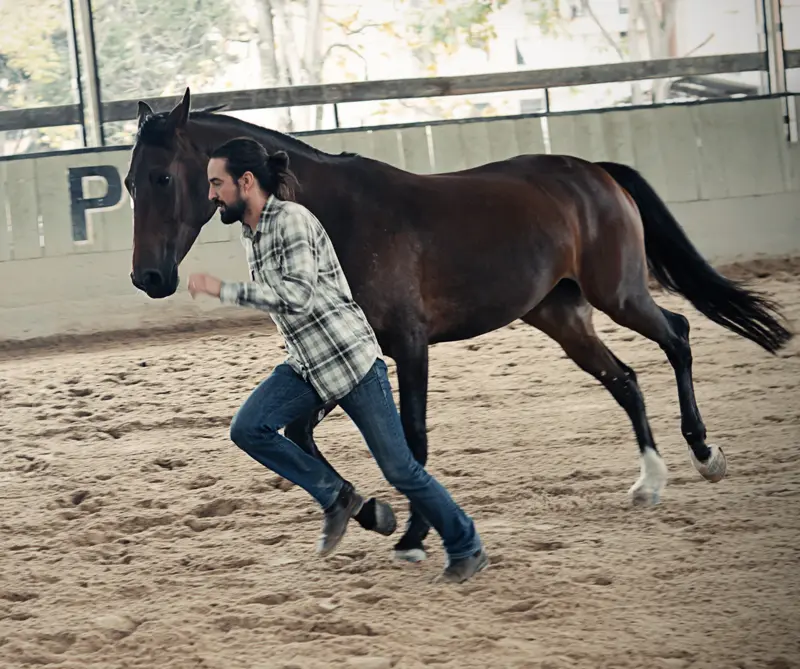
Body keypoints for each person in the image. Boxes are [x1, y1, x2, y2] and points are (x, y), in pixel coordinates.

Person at [187, 136, 489, 583]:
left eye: (217, 184)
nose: (211, 195)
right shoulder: (251, 232)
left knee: (400, 470)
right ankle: (338, 498)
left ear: (245, 181)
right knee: (249, 428)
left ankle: (466, 544)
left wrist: (224, 289)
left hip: (350, 363)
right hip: (307, 366)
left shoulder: (290, 221)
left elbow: (298, 297)